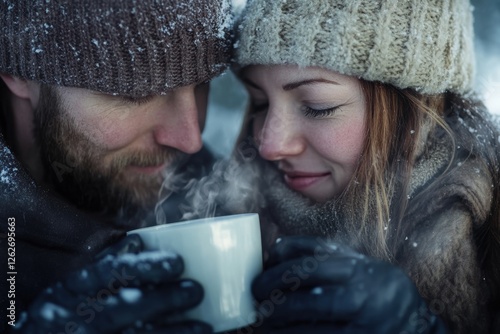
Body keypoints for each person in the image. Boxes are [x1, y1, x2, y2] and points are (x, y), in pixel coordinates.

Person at [232, 0, 500, 333]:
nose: (270, 146)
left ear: (413, 109)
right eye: (260, 103)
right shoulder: (223, 221)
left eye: (317, 107)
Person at [0, 0, 233, 333]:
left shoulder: (230, 202)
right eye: (138, 93)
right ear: (19, 72)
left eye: (202, 84)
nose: (190, 139)